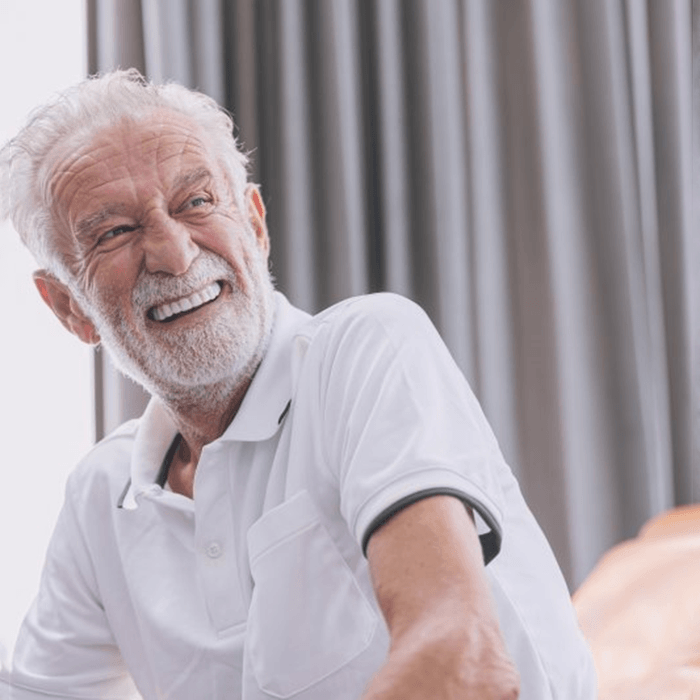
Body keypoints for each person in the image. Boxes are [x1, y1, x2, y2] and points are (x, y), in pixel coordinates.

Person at [0, 69, 596, 700]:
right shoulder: (102, 497)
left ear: (254, 224)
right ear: (69, 307)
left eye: (196, 202)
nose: (174, 254)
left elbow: (460, 662)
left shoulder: (365, 348)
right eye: (114, 232)